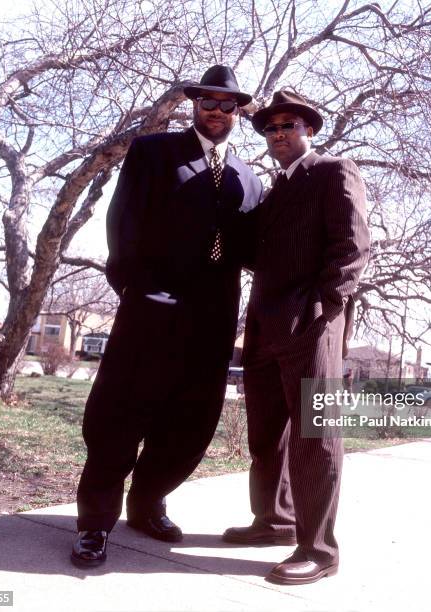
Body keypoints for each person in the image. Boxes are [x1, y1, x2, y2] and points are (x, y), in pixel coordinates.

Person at [71, 65, 262, 568]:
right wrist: (136, 288)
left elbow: (251, 248)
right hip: (152, 307)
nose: (217, 111)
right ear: (194, 104)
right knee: (119, 416)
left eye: (228, 104)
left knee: (190, 420)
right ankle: (94, 525)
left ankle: (148, 502)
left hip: (214, 318)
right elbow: (123, 220)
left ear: (238, 111)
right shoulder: (153, 152)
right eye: (208, 101)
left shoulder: (250, 178)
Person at [222, 90, 370, 585]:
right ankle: (275, 521)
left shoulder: (333, 171)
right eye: (270, 128)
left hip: (311, 327)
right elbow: (258, 253)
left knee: (316, 435)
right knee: (268, 434)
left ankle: (320, 549)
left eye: (289, 125)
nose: (279, 134)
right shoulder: (273, 190)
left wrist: (321, 308)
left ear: (309, 130)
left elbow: (352, 249)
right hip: (264, 326)